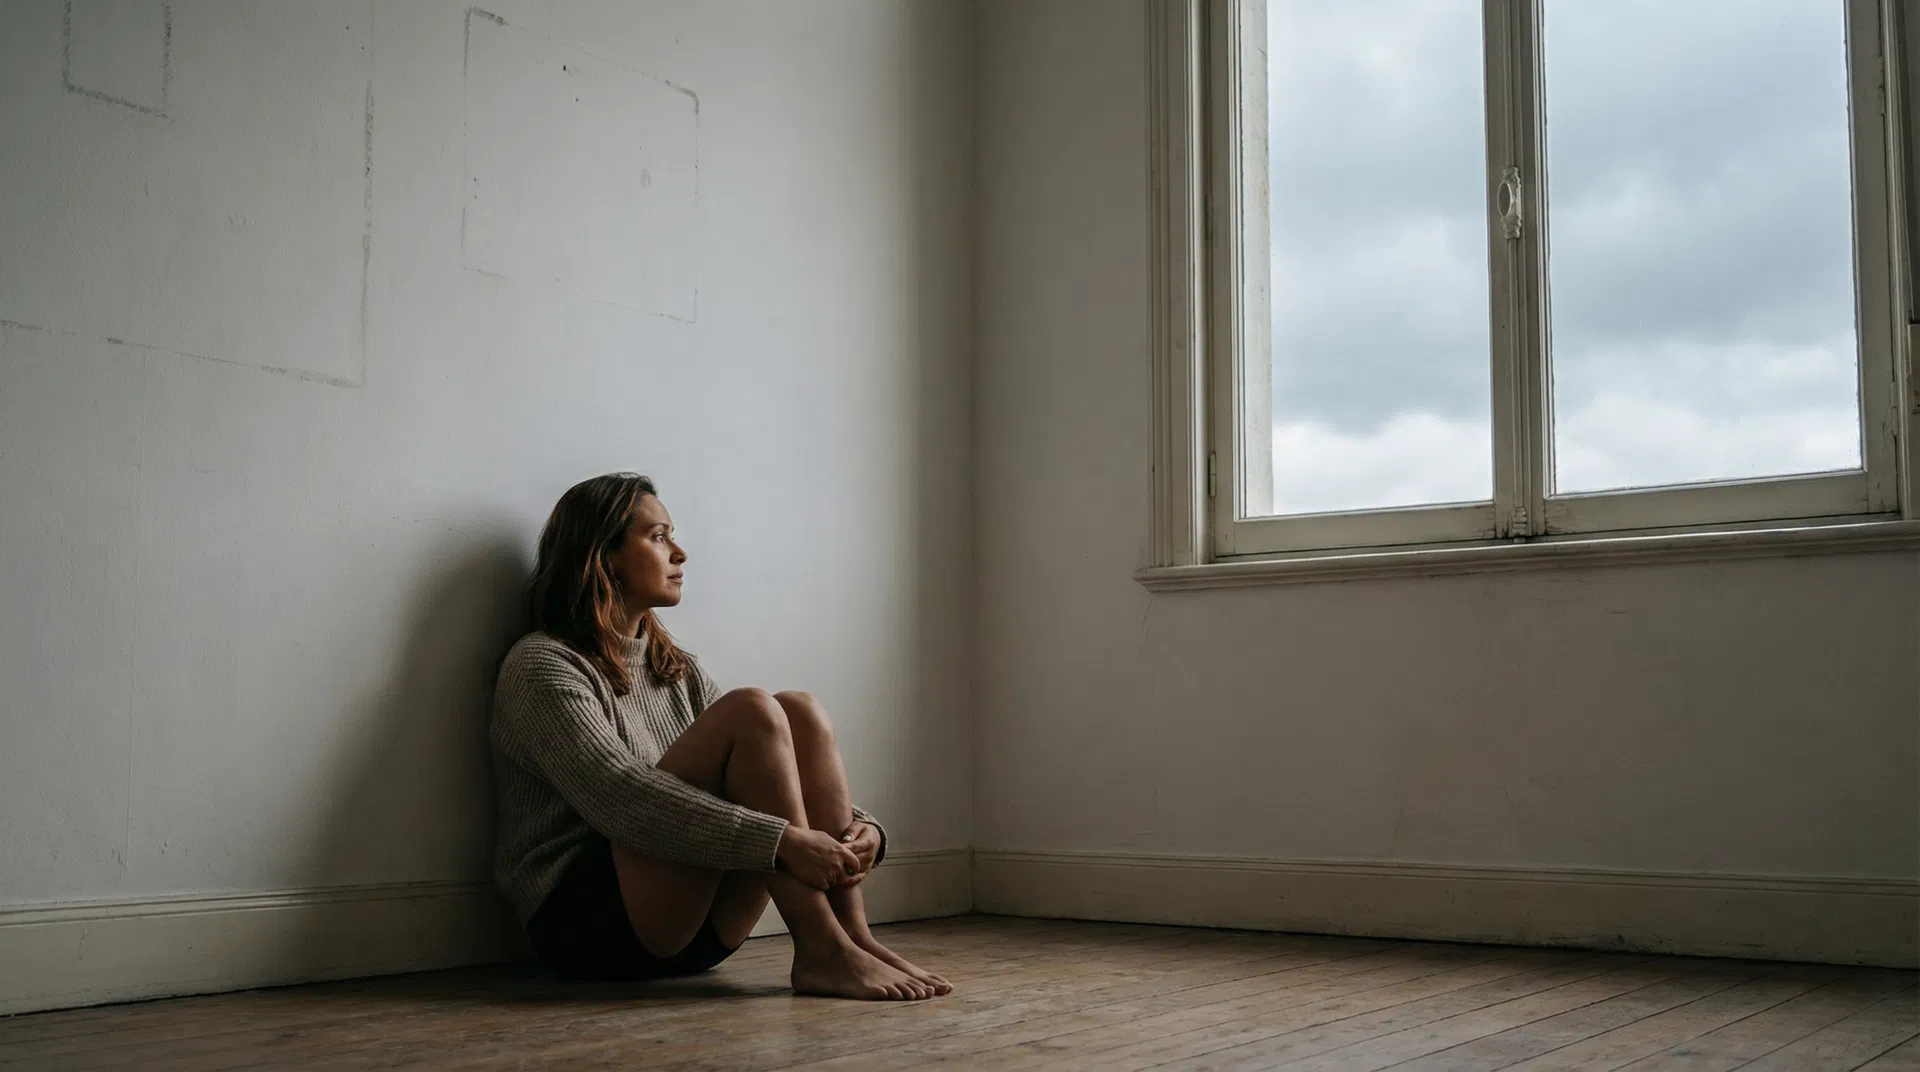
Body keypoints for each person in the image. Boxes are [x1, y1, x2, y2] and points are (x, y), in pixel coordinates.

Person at [490, 472, 950, 1000]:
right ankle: (823, 947)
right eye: (658, 537)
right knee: (753, 710)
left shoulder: (673, 668)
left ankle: (850, 938)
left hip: (698, 932)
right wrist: (782, 841)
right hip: (589, 927)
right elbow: (617, 797)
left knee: (797, 711)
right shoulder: (543, 665)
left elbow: (769, 775)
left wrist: (860, 829)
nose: (680, 552)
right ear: (604, 555)